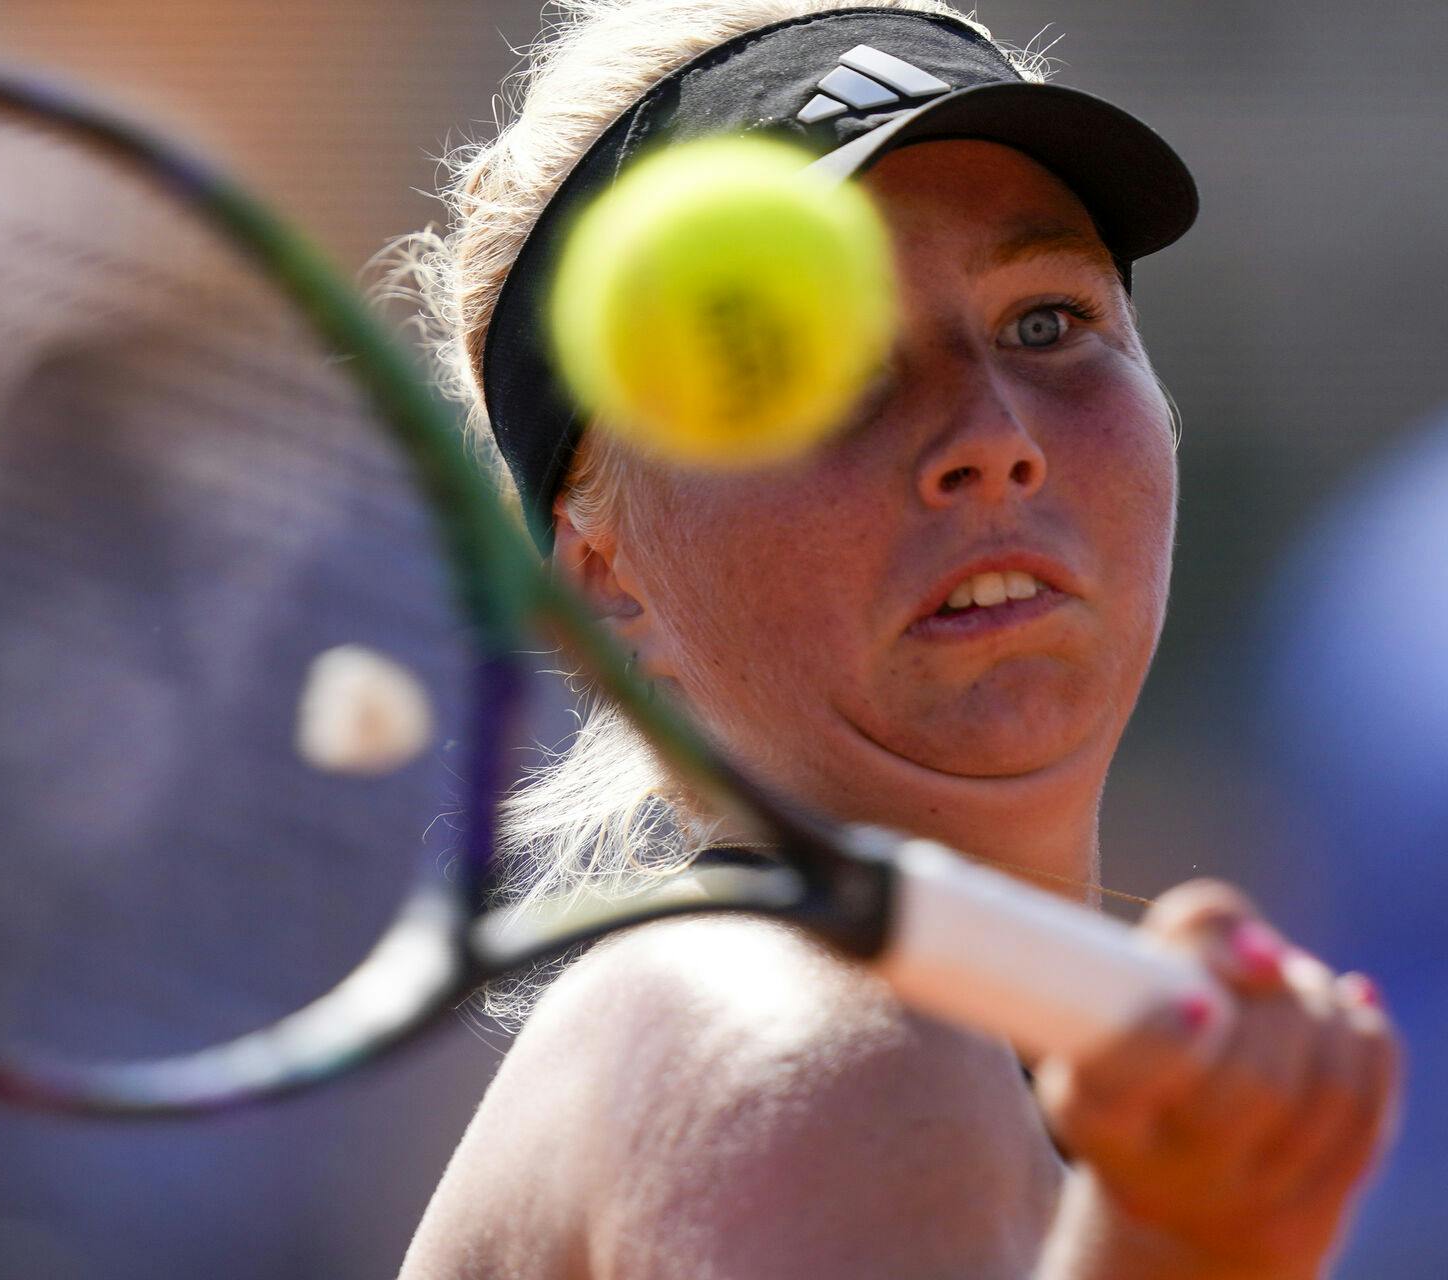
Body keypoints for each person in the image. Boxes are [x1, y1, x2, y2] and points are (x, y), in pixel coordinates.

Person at [392, 3, 1403, 1277]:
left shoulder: (983, 1076)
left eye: (1047, 321)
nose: (991, 432)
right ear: (606, 579)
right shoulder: (824, 1044)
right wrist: (1188, 1243)